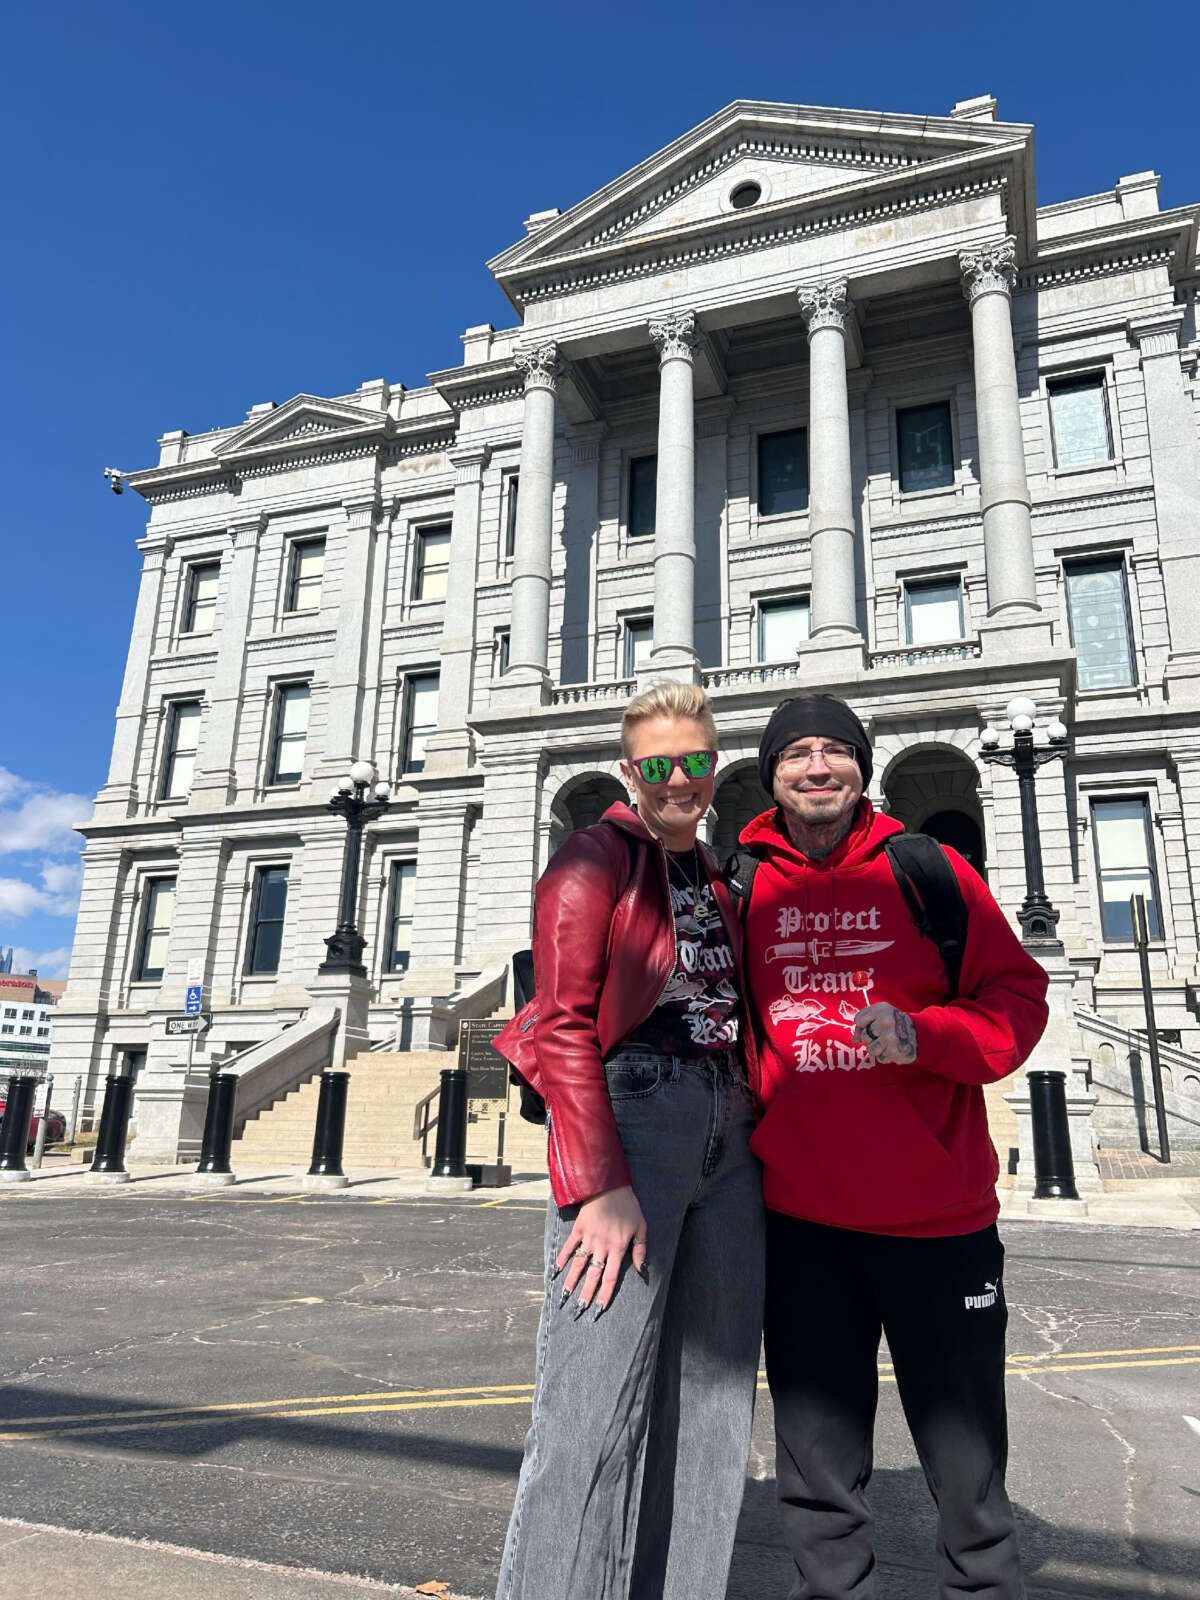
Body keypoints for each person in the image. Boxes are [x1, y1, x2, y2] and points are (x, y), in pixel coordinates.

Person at [735, 693, 1049, 1600]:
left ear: (863, 768)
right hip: (800, 1220)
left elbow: (1016, 1001)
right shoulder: (743, 883)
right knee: (818, 1470)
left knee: (967, 1466)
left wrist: (928, 1036)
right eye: (797, 754)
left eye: (836, 751)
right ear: (773, 775)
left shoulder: (930, 870)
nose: (817, 767)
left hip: (936, 1219)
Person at [491, 682, 763, 1600]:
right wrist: (597, 1183)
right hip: (636, 1118)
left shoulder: (722, 877)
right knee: (591, 1407)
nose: (679, 779)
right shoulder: (591, 858)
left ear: (715, 766)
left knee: (715, 1404)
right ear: (629, 772)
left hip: (733, 1132)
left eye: (694, 760)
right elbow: (563, 1021)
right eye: (659, 764)